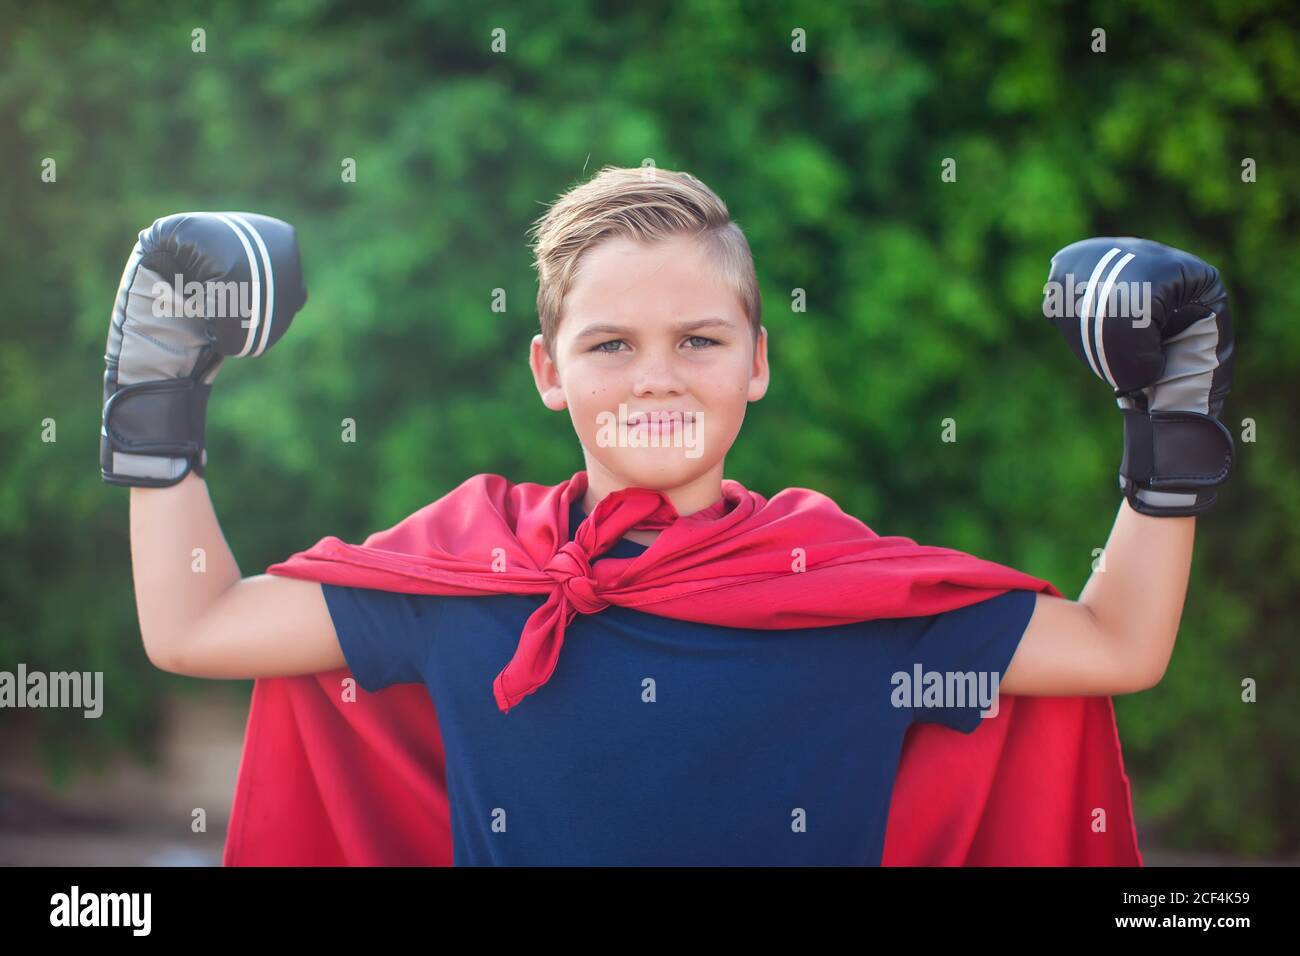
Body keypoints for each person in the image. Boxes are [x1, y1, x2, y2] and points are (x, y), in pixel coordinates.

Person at [105, 167, 1234, 865]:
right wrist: (159, 396)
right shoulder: (466, 575)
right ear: (549, 370)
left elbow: (1116, 647)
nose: (656, 377)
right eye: (610, 345)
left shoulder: (851, 591)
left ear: (757, 363)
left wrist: (1167, 424)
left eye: (698, 339)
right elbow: (193, 627)